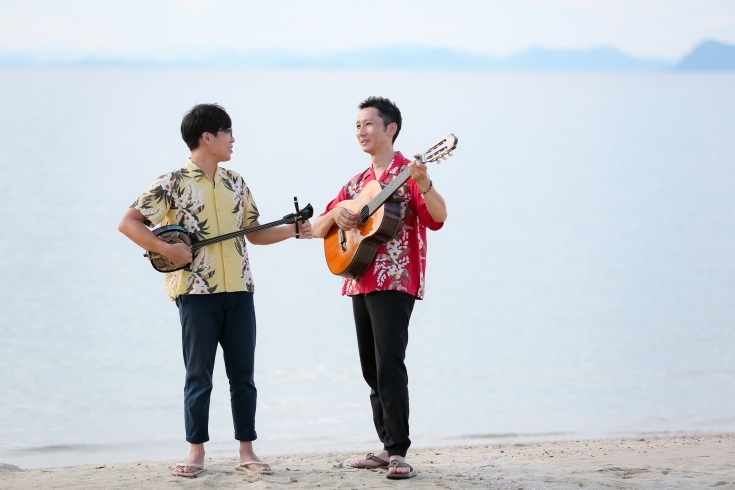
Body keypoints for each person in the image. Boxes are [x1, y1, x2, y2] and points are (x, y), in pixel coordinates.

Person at [118, 103, 312, 478]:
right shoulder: (171, 182)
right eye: (228, 132)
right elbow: (128, 222)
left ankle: (247, 451)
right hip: (194, 293)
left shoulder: (235, 182)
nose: (233, 139)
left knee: (243, 375)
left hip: (240, 291)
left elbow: (254, 233)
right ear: (207, 137)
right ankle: (195, 452)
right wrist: (166, 248)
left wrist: (293, 230)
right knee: (198, 375)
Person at [312, 96, 447, 479]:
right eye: (357, 125)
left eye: (368, 124)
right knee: (371, 368)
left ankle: (398, 451)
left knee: (390, 362)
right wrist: (337, 214)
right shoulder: (356, 183)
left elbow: (438, 217)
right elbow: (317, 229)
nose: (361, 131)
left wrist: (426, 182)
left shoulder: (409, 172)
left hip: (396, 279)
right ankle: (386, 444)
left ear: (391, 129)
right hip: (359, 279)